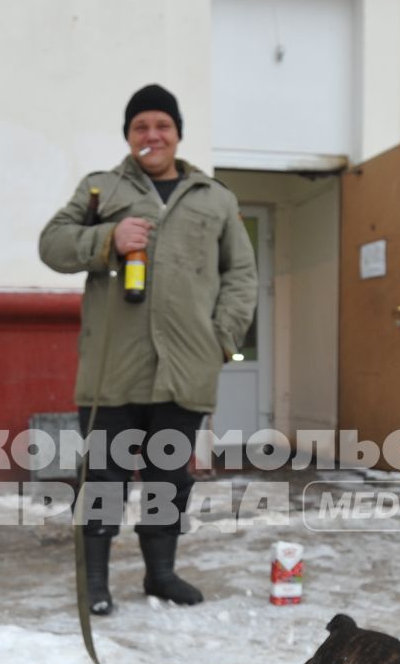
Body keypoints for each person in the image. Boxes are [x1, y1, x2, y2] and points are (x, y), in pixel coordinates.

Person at [38, 84, 257, 616]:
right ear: (128, 136)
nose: (152, 135)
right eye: (141, 127)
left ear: (177, 133)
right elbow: (52, 245)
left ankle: (160, 575)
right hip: (113, 369)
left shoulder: (216, 198)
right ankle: (94, 582)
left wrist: (220, 339)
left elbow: (242, 274)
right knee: (104, 479)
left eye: (162, 125)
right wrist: (106, 238)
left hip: (186, 370)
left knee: (169, 480)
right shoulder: (100, 190)